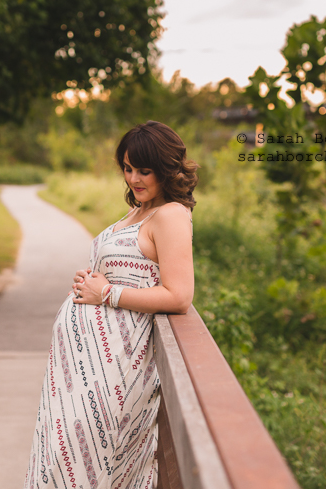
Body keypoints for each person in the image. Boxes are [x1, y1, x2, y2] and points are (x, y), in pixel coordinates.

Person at [24, 121, 198, 489]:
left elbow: (179, 296)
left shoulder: (169, 215)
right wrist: (93, 283)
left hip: (113, 374)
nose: (134, 178)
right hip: (78, 375)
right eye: (127, 167)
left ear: (167, 168)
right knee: (58, 464)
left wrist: (106, 294)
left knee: (88, 471)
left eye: (144, 170)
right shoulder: (140, 211)